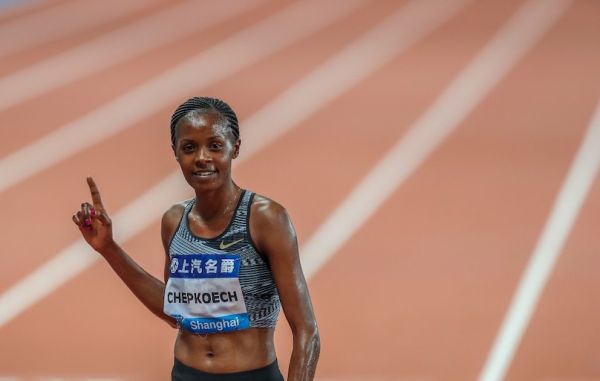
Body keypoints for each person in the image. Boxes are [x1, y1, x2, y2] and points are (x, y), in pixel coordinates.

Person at [72, 97, 320, 381]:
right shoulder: (174, 221)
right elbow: (174, 311)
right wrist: (108, 248)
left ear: (235, 148)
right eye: (189, 147)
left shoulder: (265, 219)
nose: (202, 157)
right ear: (176, 152)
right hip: (186, 374)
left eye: (215, 146)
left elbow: (307, 332)